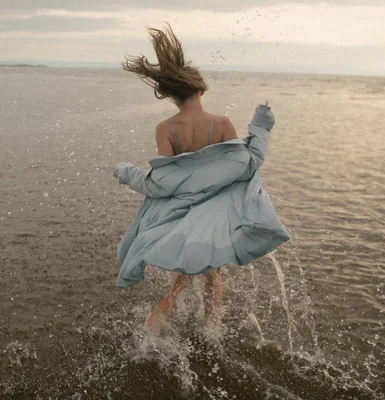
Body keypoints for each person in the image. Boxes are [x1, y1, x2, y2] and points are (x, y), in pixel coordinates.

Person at [118, 23, 284, 335]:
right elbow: (244, 166)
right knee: (212, 274)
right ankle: (212, 331)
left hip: (180, 215)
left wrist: (127, 172)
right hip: (215, 215)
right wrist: (261, 125)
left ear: (172, 96)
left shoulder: (165, 129)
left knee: (182, 270)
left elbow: (163, 183)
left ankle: (167, 304)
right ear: (201, 89)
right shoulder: (221, 123)